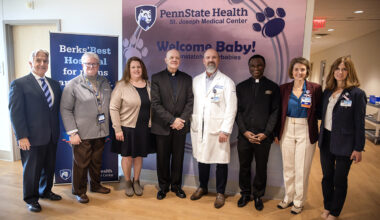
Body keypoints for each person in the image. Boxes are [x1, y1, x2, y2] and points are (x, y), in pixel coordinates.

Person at [8, 49, 62, 212]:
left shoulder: (54, 84)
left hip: (51, 135)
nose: (42, 64)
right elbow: (15, 112)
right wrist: (21, 136)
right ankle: (31, 199)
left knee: (49, 167)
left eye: (45, 61)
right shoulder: (19, 84)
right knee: (32, 171)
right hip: (31, 137)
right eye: (38, 60)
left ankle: (45, 191)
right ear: (31, 63)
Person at [318, 57, 366, 220]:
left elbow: (360, 123)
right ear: (333, 71)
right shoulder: (327, 91)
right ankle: (327, 206)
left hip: (346, 142)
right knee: (327, 177)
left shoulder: (357, 94)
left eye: (344, 69)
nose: (340, 72)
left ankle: (335, 211)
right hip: (326, 139)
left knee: (339, 179)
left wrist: (358, 148)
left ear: (349, 72)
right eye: (337, 68)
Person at [60, 52, 111, 203]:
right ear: (82, 65)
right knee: (81, 164)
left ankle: (95, 185)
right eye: (88, 64)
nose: (91, 66)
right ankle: (79, 191)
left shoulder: (104, 82)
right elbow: (65, 109)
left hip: (100, 131)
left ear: (98, 66)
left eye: (94, 64)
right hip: (82, 133)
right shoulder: (73, 84)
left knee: (96, 162)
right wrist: (72, 132)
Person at [190, 48, 237, 209]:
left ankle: (220, 193)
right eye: (207, 57)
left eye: (214, 57)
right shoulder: (196, 80)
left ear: (218, 60)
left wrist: (226, 130)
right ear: (203, 61)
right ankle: (202, 187)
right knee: (202, 158)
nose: (210, 60)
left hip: (219, 130)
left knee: (220, 161)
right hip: (200, 128)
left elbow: (232, 108)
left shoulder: (227, 82)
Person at [275, 57, 322, 214]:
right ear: (291, 71)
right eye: (296, 69)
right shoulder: (283, 89)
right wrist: (277, 133)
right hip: (287, 127)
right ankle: (288, 197)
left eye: (302, 69)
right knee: (288, 166)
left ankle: (299, 201)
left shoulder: (315, 88)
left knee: (301, 168)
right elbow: (278, 113)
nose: (299, 72)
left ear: (307, 71)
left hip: (305, 129)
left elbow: (320, 112)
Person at [235, 54, 280, 211]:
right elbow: (237, 112)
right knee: (244, 166)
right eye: (253, 66)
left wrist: (267, 133)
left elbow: (275, 112)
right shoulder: (240, 87)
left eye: (259, 65)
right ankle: (245, 194)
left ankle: (258, 195)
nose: (256, 69)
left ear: (264, 66)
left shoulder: (273, 87)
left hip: (263, 137)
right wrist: (244, 131)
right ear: (248, 67)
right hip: (244, 136)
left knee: (261, 167)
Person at [151, 49, 193, 200]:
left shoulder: (187, 79)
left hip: (180, 127)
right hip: (162, 126)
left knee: (178, 158)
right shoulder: (156, 78)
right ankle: (163, 187)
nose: (174, 60)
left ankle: (176, 186)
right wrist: (172, 120)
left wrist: (180, 120)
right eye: (171, 57)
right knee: (162, 159)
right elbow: (155, 104)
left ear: (180, 60)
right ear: (166, 60)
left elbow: (190, 102)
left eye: (177, 58)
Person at [110, 56, 155, 197]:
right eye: (133, 67)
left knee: (139, 156)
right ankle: (128, 182)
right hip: (127, 128)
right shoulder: (121, 85)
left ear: (143, 69)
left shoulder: (149, 85)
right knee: (128, 156)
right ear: (128, 70)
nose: (136, 69)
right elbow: (113, 108)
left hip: (144, 127)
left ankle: (137, 181)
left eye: (139, 67)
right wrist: (117, 129)